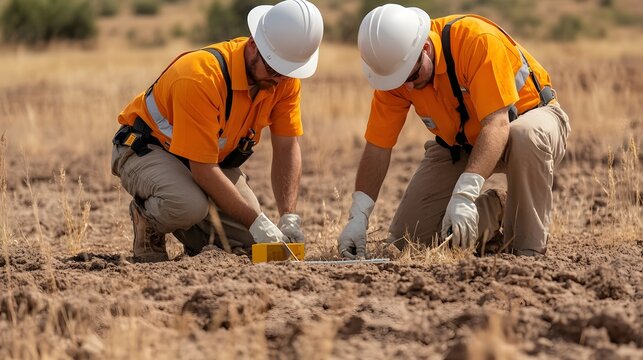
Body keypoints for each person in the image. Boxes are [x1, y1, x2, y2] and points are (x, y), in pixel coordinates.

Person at [338, 4, 570, 258]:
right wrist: (358, 215)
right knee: (410, 242)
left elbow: (497, 124)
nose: (408, 87)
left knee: (524, 136)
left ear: (425, 48)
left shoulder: (476, 41)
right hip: (460, 144)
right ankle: (498, 207)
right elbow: (378, 146)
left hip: (528, 122)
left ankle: (527, 249)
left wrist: (465, 193)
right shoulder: (396, 72)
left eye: (412, 75)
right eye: (399, 80)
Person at [111, 0, 324, 262]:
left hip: (206, 159)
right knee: (189, 206)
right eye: (273, 68)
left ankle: (196, 238)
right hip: (148, 149)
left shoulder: (283, 80)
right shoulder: (200, 76)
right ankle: (147, 216)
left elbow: (287, 147)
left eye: (288, 71)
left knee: (246, 239)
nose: (279, 79)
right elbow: (203, 170)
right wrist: (256, 220)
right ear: (254, 45)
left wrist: (288, 217)